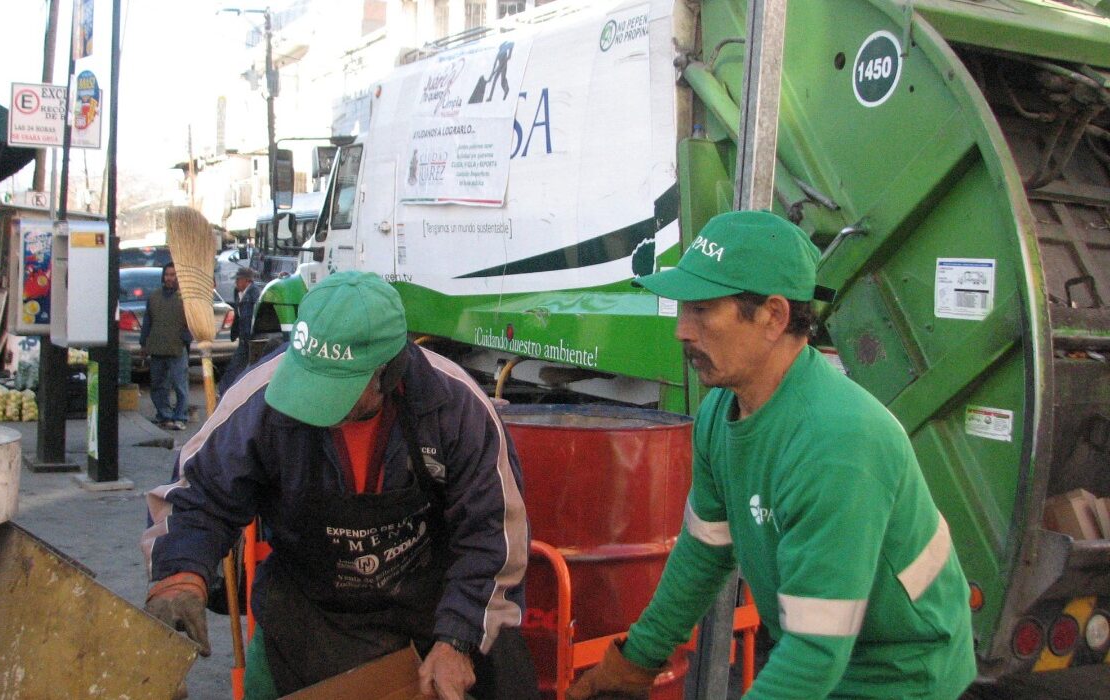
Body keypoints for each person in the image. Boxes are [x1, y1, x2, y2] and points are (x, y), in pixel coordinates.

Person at [568, 211, 976, 699]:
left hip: (901, 677)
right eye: (682, 310)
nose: (682, 330)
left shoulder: (838, 443)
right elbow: (704, 551)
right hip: (822, 659)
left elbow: (813, 654)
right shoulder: (722, 410)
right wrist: (638, 658)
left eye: (701, 310)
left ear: (774, 316)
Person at [141, 271, 535, 700]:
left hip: (432, 608)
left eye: (338, 389)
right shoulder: (260, 400)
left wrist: (457, 639)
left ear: (387, 373)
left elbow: (493, 535)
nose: (316, 404)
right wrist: (180, 579)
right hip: (313, 614)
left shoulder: (457, 407)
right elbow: (197, 495)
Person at [139, 262, 191, 430]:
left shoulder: (185, 298)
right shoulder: (154, 297)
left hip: (177, 348)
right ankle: (164, 415)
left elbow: (191, 323)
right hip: (157, 348)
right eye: (168, 274)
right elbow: (147, 322)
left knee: (179, 385)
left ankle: (180, 416)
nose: (170, 278)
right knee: (159, 385)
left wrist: (186, 339)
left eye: (173, 275)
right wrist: (143, 343)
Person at [217, 265, 257, 395]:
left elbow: (252, 318)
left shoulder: (254, 294)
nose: (236, 283)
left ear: (247, 281)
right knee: (236, 368)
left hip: (250, 339)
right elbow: (238, 315)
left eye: (238, 280)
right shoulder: (239, 293)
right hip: (244, 339)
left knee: (238, 368)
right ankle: (227, 392)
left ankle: (225, 392)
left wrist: (249, 336)